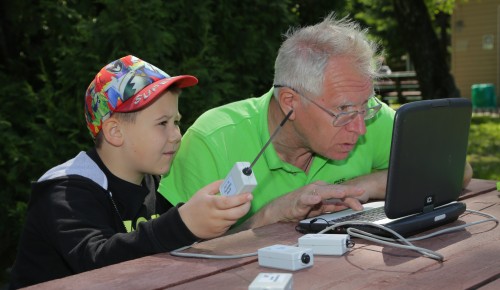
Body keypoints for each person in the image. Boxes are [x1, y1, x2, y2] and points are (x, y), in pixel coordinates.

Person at [159, 13, 473, 230]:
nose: (360, 127)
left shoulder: (365, 114)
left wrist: (361, 186)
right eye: (344, 111)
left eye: (365, 108)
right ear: (290, 103)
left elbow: (457, 169)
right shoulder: (212, 141)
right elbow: (177, 255)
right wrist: (272, 214)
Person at [9, 55, 253, 289]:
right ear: (115, 132)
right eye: (162, 123)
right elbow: (96, 263)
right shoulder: (64, 193)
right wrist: (183, 224)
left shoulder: (154, 181)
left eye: (176, 121)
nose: (177, 135)